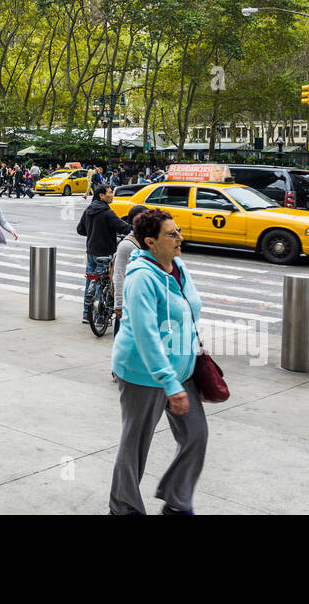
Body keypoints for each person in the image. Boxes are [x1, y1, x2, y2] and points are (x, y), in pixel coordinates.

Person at [109, 209, 208, 515]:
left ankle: (177, 502)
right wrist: (168, 382)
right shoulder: (140, 278)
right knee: (134, 445)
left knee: (196, 435)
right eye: (172, 234)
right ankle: (123, 508)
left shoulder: (179, 266)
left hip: (182, 371)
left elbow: (188, 312)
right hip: (142, 372)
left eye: (178, 231)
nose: (180, 237)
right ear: (150, 242)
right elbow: (145, 334)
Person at [77, 183, 132, 325]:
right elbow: (123, 227)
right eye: (110, 192)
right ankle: (100, 318)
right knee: (104, 284)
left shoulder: (89, 210)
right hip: (105, 253)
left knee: (91, 281)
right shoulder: (107, 212)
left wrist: (93, 232)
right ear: (101, 195)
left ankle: (86, 314)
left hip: (91, 252)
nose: (112, 195)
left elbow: (80, 229)